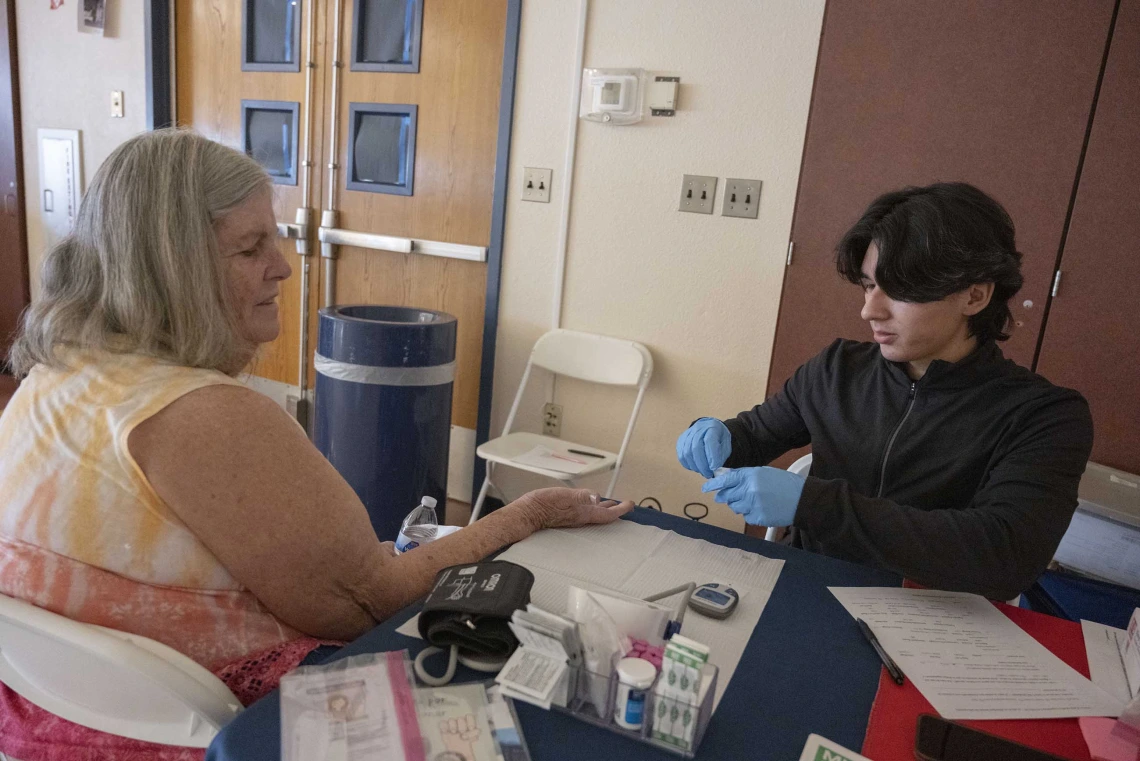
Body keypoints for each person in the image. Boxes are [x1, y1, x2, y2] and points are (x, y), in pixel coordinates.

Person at [0, 129, 631, 753]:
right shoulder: (204, 415)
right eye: (250, 249)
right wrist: (529, 512)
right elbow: (364, 605)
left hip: (46, 718)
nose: (281, 267)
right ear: (173, 272)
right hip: (207, 733)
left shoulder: (54, 374)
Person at [677, 183, 1092, 601]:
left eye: (898, 289)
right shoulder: (837, 369)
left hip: (938, 620)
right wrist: (719, 435)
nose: (870, 310)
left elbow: (1005, 556)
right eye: (869, 285)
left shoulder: (1044, 416)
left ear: (975, 295)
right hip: (811, 589)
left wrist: (813, 504)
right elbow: (755, 435)